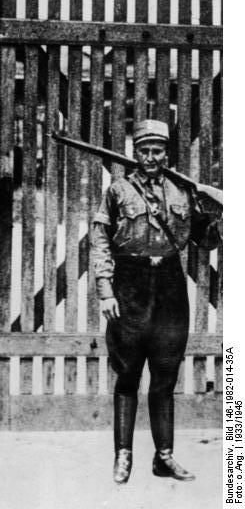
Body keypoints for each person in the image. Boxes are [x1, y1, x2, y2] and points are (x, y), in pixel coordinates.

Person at [90, 119, 221, 485]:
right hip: (129, 285)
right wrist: (105, 290)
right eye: (144, 150)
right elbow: (100, 240)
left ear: (167, 153)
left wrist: (218, 213)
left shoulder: (182, 192)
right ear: (136, 152)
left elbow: (205, 241)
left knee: (165, 375)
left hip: (169, 285)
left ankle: (164, 456)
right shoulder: (118, 191)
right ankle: (123, 456)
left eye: (157, 150)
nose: (150, 157)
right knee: (128, 374)